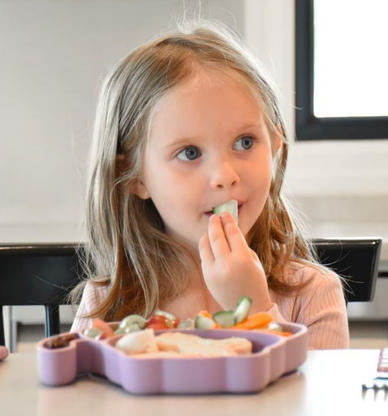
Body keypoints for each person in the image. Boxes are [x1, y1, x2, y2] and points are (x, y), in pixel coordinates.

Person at [70, 20, 349, 349]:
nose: (224, 176)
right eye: (189, 153)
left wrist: (255, 311)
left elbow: (308, 386)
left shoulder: (314, 295)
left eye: (245, 142)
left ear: (275, 145)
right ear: (134, 175)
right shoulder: (106, 306)